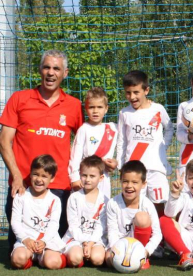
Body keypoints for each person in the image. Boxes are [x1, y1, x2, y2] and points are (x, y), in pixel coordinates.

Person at [0, 50, 83, 253]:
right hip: (24, 186)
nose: (50, 73)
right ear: (39, 70)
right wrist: (17, 177)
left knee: (53, 252)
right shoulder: (19, 99)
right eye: (46, 67)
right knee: (20, 252)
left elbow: (84, 142)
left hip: (59, 188)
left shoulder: (74, 105)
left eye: (56, 68)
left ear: (65, 73)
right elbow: (4, 141)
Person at [116, 70, 173, 216]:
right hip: (134, 169)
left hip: (156, 169)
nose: (132, 97)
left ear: (146, 90)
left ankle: (160, 238)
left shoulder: (158, 109)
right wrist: (120, 165)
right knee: (135, 206)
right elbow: (121, 141)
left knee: (160, 205)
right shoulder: (124, 113)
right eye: (128, 93)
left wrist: (163, 146)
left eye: (136, 92)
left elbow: (169, 128)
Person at [10, 155, 66, 270]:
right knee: (18, 259)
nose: (39, 179)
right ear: (30, 174)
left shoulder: (55, 200)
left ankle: (50, 258)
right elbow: (15, 222)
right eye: (36, 174)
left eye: (44, 176)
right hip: (26, 240)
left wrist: (44, 242)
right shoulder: (20, 197)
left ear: (52, 179)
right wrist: (25, 239)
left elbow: (54, 224)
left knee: (53, 263)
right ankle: (30, 258)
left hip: (47, 241)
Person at [105, 160, 162, 270]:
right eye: (125, 181)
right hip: (120, 246)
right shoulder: (113, 203)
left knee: (142, 218)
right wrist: (117, 250)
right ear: (120, 181)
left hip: (139, 248)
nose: (129, 186)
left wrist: (146, 252)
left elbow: (157, 233)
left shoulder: (147, 204)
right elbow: (112, 232)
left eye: (135, 182)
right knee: (108, 259)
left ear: (143, 184)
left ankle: (141, 259)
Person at [69, 87, 118, 199]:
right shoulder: (84, 129)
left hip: (103, 177)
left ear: (106, 109)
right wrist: (74, 178)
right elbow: (75, 157)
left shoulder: (113, 128)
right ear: (86, 109)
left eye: (100, 107)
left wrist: (117, 162)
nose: (95, 111)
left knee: (102, 208)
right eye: (91, 107)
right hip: (86, 177)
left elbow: (125, 144)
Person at [63, 155, 109, 268]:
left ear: (101, 178)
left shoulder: (105, 200)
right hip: (76, 238)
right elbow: (73, 225)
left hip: (96, 240)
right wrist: (84, 243)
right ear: (80, 175)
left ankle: (88, 254)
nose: (87, 179)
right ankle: (76, 256)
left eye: (92, 176)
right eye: (84, 175)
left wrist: (91, 243)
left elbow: (102, 226)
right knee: (75, 259)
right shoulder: (74, 197)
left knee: (97, 259)